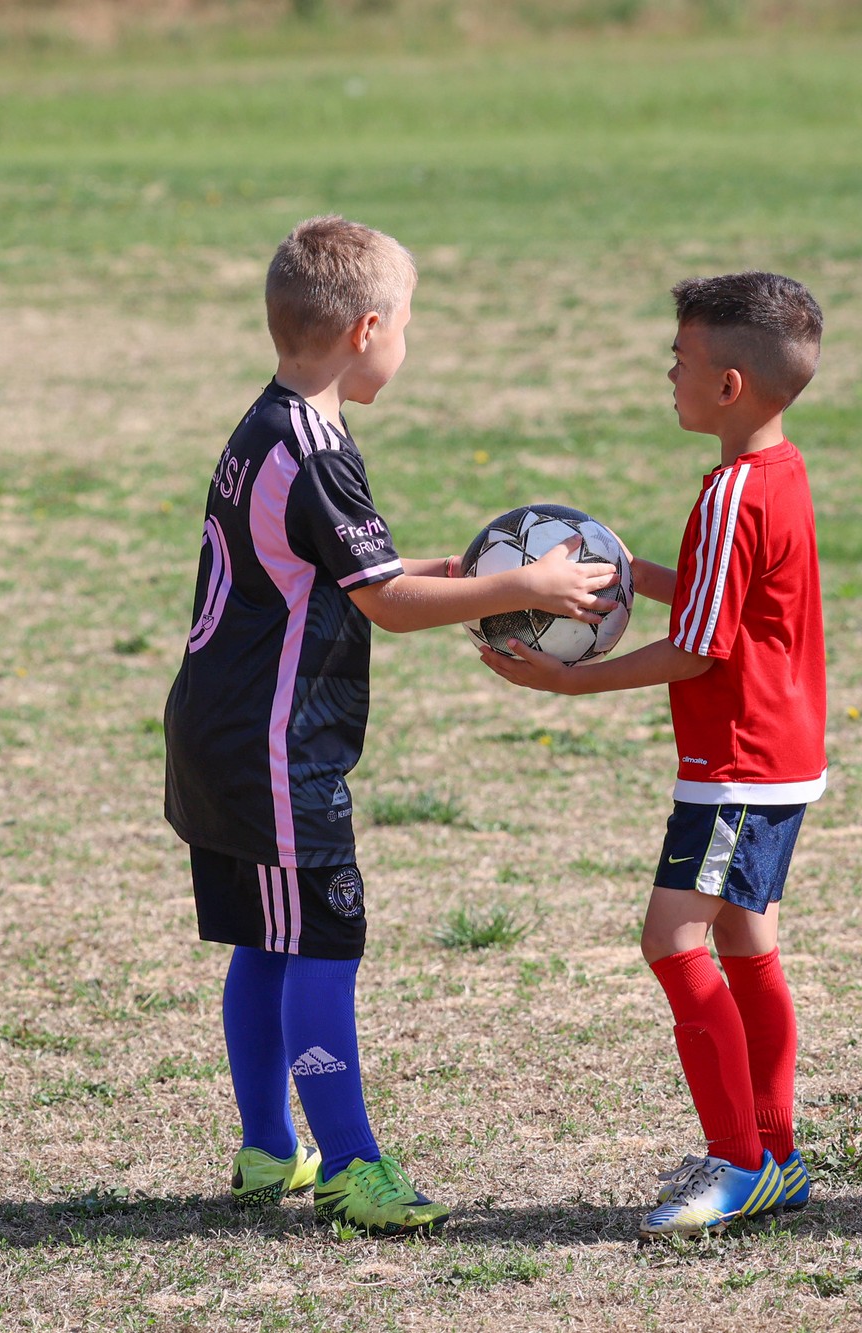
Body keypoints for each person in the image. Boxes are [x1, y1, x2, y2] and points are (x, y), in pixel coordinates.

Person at [163, 216, 616, 1236]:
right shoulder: (319, 450)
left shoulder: (269, 425)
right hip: (275, 747)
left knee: (268, 937)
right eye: (407, 323)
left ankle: (268, 1146)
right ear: (366, 329)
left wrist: (457, 571)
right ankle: (351, 1167)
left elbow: (337, 567)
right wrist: (526, 586)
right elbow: (386, 605)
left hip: (219, 729)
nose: (407, 341)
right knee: (324, 938)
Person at [480, 271, 827, 1239]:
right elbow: (732, 600)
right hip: (780, 754)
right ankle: (776, 1155)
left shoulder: (728, 495)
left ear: (727, 386)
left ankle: (738, 1161)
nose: (667, 373)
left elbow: (700, 647)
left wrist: (568, 682)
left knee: (671, 942)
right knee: (745, 943)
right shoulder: (778, 471)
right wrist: (636, 573)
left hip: (735, 763)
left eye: (678, 359)